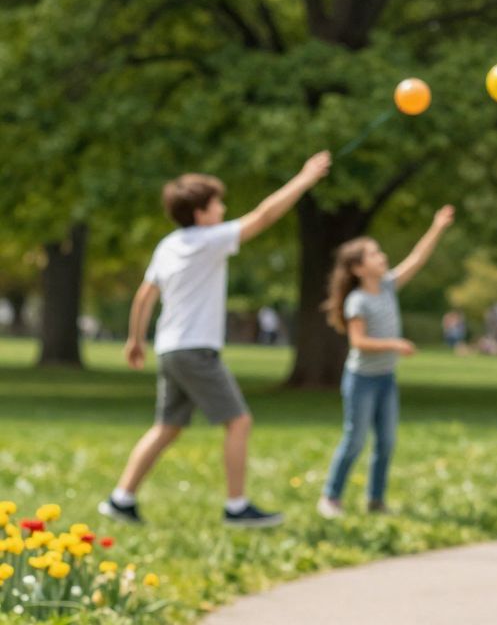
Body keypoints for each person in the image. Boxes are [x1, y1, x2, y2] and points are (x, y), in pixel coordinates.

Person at [99, 152, 331, 528]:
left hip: (170, 348)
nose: (223, 209)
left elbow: (144, 295)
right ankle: (236, 507)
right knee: (239, 422)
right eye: (217, 203)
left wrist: (135, 340)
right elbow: (265, 215)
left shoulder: (168, 245)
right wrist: (305, 179)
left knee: (167, 427)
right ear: (200, 213)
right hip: (195, 350)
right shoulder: (209, 240)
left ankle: (120, 499)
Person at [317, 206, 455, 519]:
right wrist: (394, 344)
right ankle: (331, 498)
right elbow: (358, 342)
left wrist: (437, 226)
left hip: (385, 378)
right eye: (374, 254)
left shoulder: (388, 286)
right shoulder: (358, 301)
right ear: (358, 268)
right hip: (361, 380)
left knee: (387, 442)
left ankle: (375, 500)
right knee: (355, 439)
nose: (382, 257)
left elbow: (417, 258)